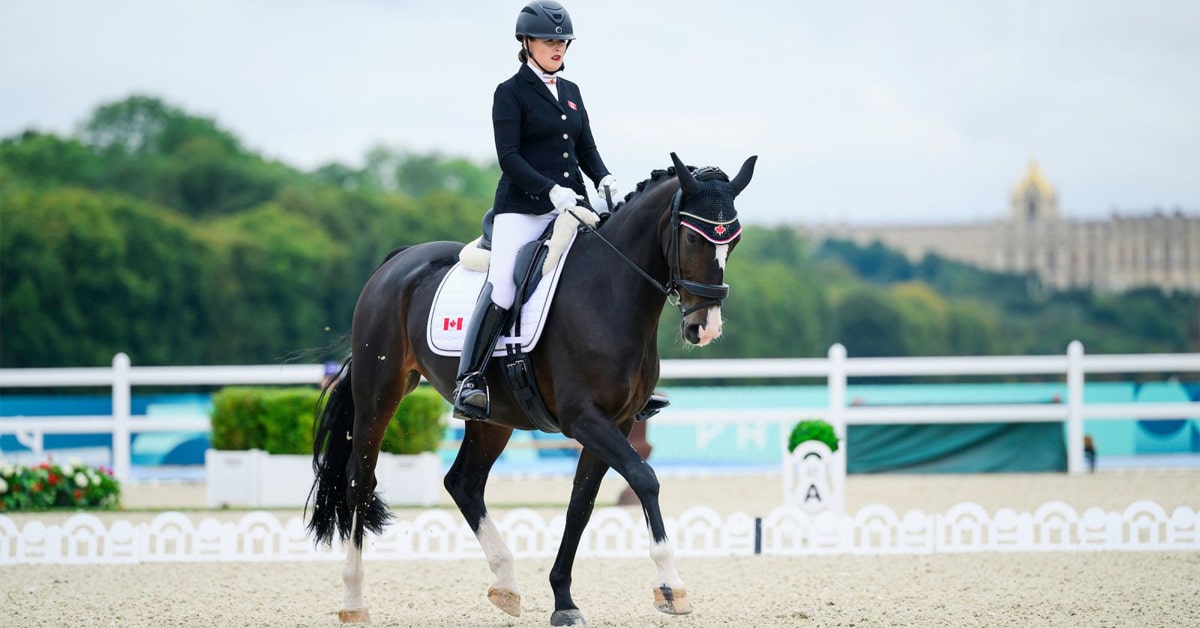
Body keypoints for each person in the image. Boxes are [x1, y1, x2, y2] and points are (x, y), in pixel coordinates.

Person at [453, 1, 617, 420]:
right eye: (549, 41)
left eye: (563, 41)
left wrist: (604, 178)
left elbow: (586, 149)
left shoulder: (572, 92)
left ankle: (623, 380)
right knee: (505, 285)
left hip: (572, 207)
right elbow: (508, 157)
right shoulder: (509, 92)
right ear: (526, 43)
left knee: (607, 271)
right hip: (522, 209)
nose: (558, 48)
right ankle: (469, 380)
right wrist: (550, 191)